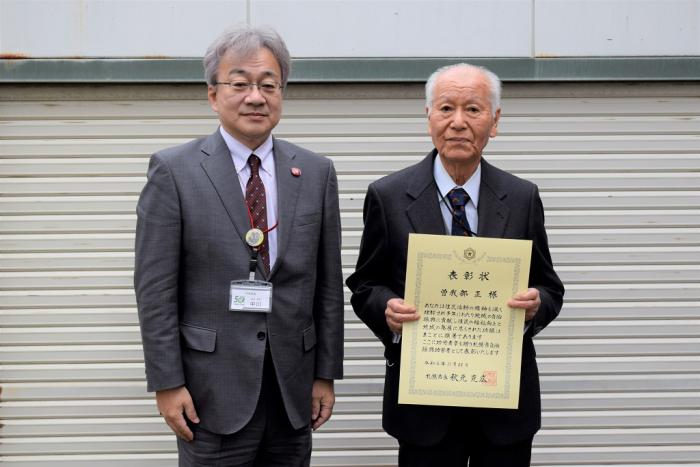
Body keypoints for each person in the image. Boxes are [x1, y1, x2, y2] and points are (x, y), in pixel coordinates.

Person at [134, 25, 344, 466]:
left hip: (292, 391)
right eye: (240, 83)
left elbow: (326, 285)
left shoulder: (316, 172)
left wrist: (324, 373)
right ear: (213, 94)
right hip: (211, 393)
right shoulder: (174, 171)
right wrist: (167, 383)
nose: (256, 96)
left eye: (269, 85)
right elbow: (155, 289)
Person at [346, 63, 564, 466]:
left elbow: (551, 287)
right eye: (446, 108)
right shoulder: (388, 195)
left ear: (494, 122)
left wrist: (536, 306)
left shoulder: (521, 197)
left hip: (504, 403)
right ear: (428, 117)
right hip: (423, 404)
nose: (458, 122)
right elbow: (366, 284)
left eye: (474, 110)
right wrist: (386, 310)